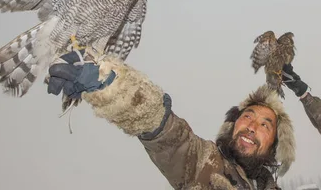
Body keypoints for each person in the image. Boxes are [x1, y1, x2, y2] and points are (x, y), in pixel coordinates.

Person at [47, 51, 296, 190]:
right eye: (247, 116)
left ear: (275, 145)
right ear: (232, 126)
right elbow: (170, 137)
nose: (251, 127)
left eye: (265, 125)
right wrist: (112, 86)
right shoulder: (208, 163)